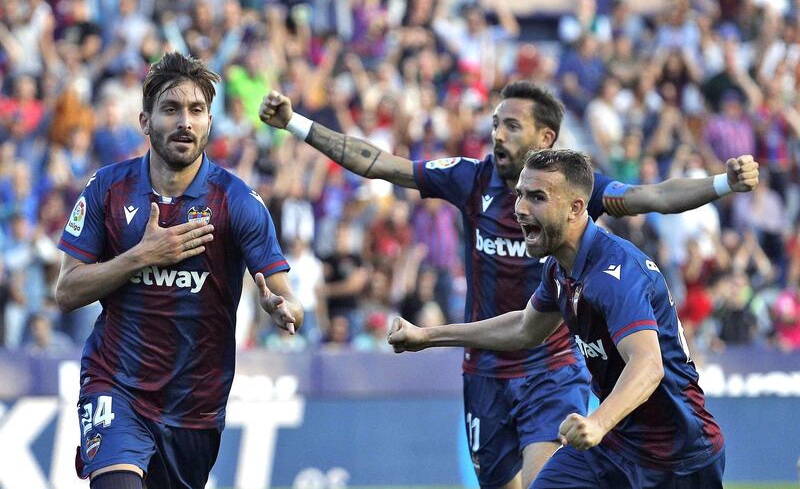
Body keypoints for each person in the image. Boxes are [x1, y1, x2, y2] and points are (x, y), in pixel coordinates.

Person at [259, 81, 755, 488]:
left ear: (546, 140)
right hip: (489, 374)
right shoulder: (477, 188)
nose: (496, 134)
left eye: (510, 125)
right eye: (495, 123)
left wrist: (721, 184)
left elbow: (656, 198)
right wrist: (296, 125)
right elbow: (376, 162)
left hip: (560, 376)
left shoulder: (597, 233)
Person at [388, 149, 726, 488]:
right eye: (520, 194)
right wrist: (429, 336)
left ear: (576, 208)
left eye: (537, 197)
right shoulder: (557, 269)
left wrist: (597, 423)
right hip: (616, 444)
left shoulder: (615, 274)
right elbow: (524, 328)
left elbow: (648, 365)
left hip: (679, 455)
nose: (520, 208)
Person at [55, 52, 303, 489]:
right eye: (171, 109)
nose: (184, 121)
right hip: (116, 384)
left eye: (196, 111)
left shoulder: (237, 201)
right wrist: (141, 256)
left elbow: (287, 296)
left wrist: (281, 305)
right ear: (145, 121)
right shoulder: (107, 190)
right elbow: (67, 291)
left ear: (209, 122)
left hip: (195, 405)